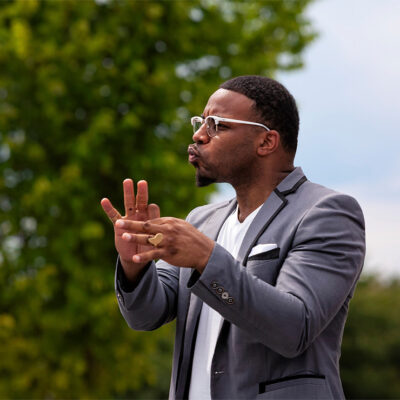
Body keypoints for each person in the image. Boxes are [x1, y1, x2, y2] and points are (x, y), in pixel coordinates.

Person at [101, 75, 365, 399]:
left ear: (266, 142)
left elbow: (294, 327)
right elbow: (145, 316)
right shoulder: (201, 220)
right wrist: (134, 264)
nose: (198, 135)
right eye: (200, 122)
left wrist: (207, 259)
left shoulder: (327, 214)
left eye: (216, 125)